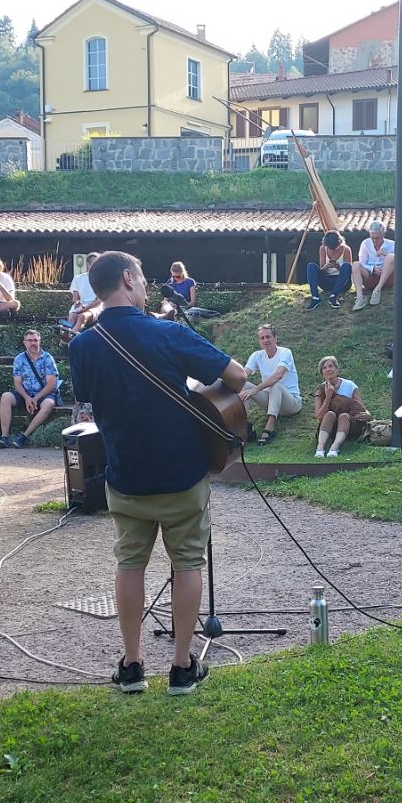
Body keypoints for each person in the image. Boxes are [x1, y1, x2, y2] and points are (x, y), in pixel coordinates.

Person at [69, 251, 246, 696]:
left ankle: (132, 666)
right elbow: (238, 377)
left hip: (125, 477)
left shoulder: (82, 346)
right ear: (128, 279)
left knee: (129, 564)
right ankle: (182, 667)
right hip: (181, 476)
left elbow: (91, 399)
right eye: (144, 277)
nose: (147, 286)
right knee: (187, 563)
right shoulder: (168, 332)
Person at [0, 329, 59, 449]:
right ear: (24, 342)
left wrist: (35, 398)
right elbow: (17, 383)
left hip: (43, 394)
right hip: (24, 393)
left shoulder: (47, 358)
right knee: (6, 397)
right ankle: (4, 437)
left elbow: (51, 384)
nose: (33, 343)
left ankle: (24, 436)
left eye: (35, 340)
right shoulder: (19, 359)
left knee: (49, 403)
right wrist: (27, 398)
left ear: (39, 341)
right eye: (30, 340)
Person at [239, 323, 302, 445]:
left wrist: (256, 389)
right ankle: (244, 427)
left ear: (275, 338)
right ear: (259, 341)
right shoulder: (257, 355)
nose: (265, 340)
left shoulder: (285, 352)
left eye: (268, 337)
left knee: (275, 384)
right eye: (262, 338)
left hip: (291, 403)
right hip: (270, 402)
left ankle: (270, 428)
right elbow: (244, 374)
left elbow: (278, 375)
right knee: (244, 385)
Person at [313, 356, 370, 458]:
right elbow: (319, 416)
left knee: (344, 416)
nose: (328, 369)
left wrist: (368, 414)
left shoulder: (350, 385)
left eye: (331, 366)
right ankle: (320, 448)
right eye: (324, 368)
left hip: (349, 426)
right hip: (329, 426)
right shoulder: (320, 389)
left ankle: (334, 448)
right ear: (322, 373)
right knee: (330, 414)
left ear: (336, 369)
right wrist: (328, 396)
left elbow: (360, 407)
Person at [352, 221, 395, 311]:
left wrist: (385, 253)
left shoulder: (392, 244)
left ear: (384, 234)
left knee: (391, 256)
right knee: (355, 264)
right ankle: (360, 298)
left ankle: (377, 290)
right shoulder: (365, 243)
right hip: (370, 277)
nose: (375, 241)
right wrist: (372, 268)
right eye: (372, 238)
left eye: (377, 238)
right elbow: (362, 262)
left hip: (387, 278)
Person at [306, 230, 353, 310]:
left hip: (342, 282)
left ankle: (333, 296)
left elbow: (349, 271)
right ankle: (315, 297)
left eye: (335, 248)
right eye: (330, 248)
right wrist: (326, 266)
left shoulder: (346, 249)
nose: (333, 250)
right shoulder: (323, 249)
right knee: (311, 266)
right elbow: (321, 269)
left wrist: (339, 267)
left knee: (346, 266)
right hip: (327, 281)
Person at [67, 252, 101, 333]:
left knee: (82, 317)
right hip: (80, 306)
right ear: (88, 264)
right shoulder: (78, 278)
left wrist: (84, 309)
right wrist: (77, 302)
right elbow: (75, 298)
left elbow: (99, 301)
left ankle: (71, 337)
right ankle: (65, 335)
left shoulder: (103, 280)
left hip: (96, 308)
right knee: (71, 318)